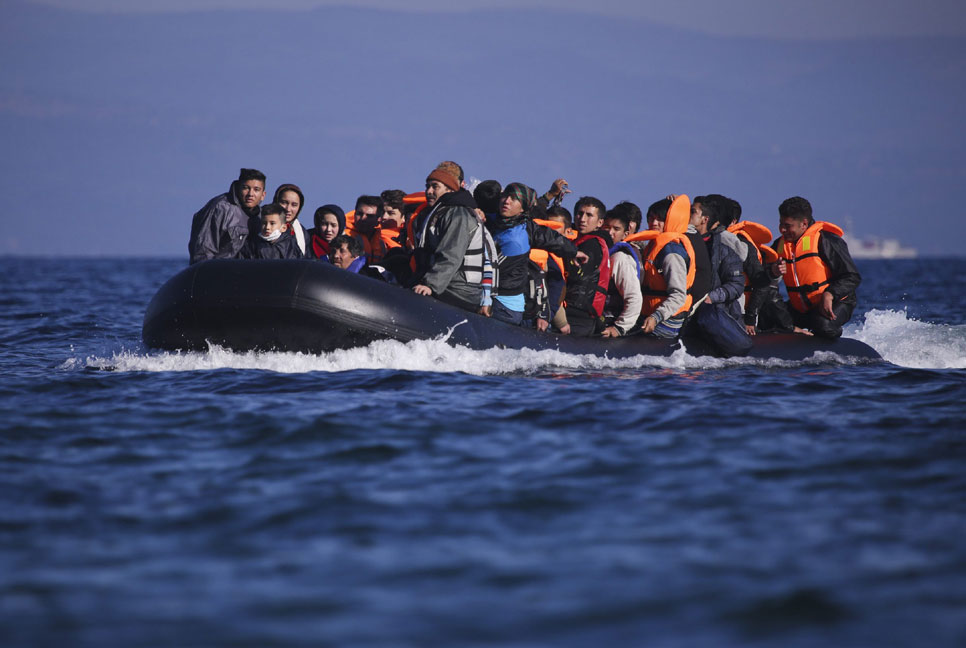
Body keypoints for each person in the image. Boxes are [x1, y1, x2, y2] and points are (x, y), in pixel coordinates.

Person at [771, 196, 861, 339]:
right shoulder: (778, 246)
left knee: (823, 327)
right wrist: (773, 272)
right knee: (765, 319)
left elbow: (852, 277)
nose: (782, 230)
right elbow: (764, 277)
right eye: (781, 224)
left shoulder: (827, 241)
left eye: (787, 226)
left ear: (804, 224)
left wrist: (830, 294)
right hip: (801, 309)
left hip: (834, 303)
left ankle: (832, 334)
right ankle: (797, 331)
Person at [410, 161, 493, 312]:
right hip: (447, 284)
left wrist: (430, 285)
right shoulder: (438, 212)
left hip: (459, 290)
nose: (429, 191)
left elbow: (451, 255)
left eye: (435, 186)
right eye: (427, 186)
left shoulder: (458, 215)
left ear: (449, 190)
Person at [627, 196, 709, 339]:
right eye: (651, 218)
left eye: (659, 219)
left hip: (668, 320)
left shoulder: (672, 252)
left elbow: (678, 295)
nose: (653, 223)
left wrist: (655, 317)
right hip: (651, 315)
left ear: (670, 221)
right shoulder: (655, 245)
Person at [686, 196, 753, 356]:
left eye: (692, 212)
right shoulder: (682, 244)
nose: (687, 215)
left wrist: (712, 297)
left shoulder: (723, 250)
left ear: (704, 219)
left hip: (714, 312)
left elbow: (736, 284)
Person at [188, 168, 265, 264]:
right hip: (219, 273)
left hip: (244, 274)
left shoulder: (262, 217)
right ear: (238, 188)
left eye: (256, 189)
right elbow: (203, 251)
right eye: (246, 188)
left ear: (263, 195)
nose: (250, 194)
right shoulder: (220, 208)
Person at [563, 196, 612, 336]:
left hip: (578, 315)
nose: (582, 219)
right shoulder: (583, 240)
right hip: (582, 314)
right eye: (579, 213)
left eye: (589, 215)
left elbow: (576, 273)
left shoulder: (591, 245)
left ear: (600, 222)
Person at [601, 208, 643, 337]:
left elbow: (634, 297)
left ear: (625, 234)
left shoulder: (620, 258)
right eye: (606, 227)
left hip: (611, 320)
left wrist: (619, 328)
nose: (610, 232)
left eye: (616, 229)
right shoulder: (605, 252)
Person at [346, 195, 390, 264]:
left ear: (379, 219)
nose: (363, 218)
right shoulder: (344, 236)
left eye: (369, 216)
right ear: (354, 214)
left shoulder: (382, 244)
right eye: (359, 214)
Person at [273, 183, 308, 256]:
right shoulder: (262, 224)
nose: (288, 209)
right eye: (284, 203)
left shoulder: (303, 234)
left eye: (294, 205)